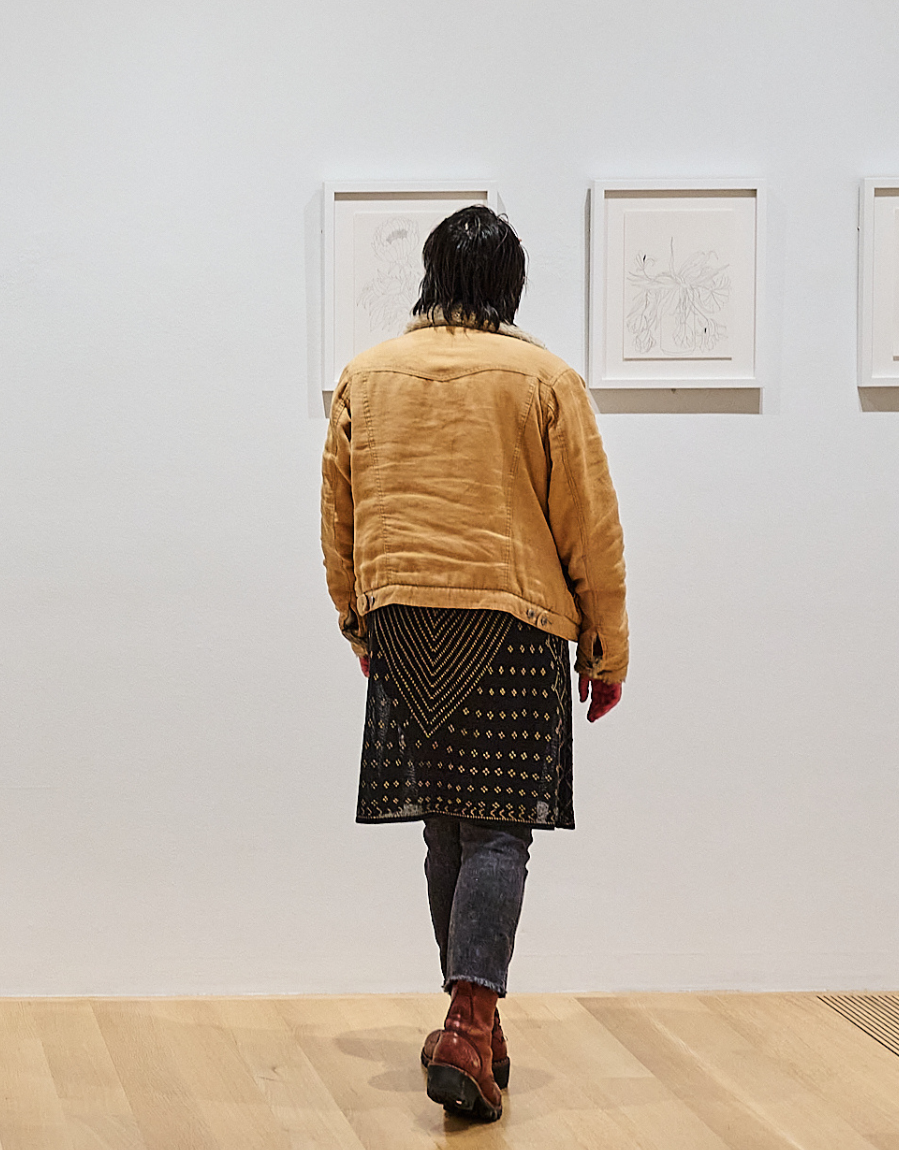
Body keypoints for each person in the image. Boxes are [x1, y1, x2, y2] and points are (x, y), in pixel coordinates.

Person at [319, 205, 628, 1123]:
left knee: (445, 829)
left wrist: (357, 621)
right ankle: (470, 1015)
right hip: (515, 621)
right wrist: (606, 646)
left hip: (406, 615)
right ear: (510, 287)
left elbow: (339, 514)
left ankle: (474, 1029)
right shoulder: (544, 379)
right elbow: (590, 523)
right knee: (499, 830)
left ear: (429, 274)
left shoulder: (367, 375)